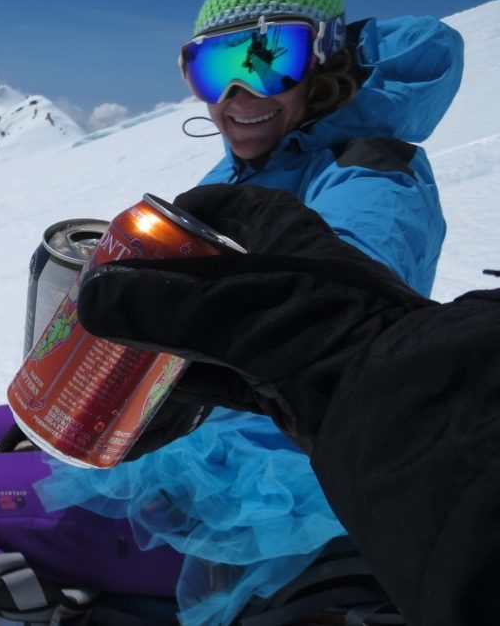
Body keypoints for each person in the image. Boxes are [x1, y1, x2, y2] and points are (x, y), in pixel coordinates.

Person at [0, 0, 463, 624]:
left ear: (326, 56)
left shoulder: (369, 182)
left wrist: (148, 419)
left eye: (269, 57)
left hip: (265, 503)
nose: (238, 93)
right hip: (216, 452)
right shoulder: (260, 171)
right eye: (213, 67)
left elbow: (331, 332)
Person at [75, 182, 500, 626]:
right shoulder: (246, 174)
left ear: (319, 104)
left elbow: (329, 297)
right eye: (211, 104)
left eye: (262, 102)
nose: (237, 107)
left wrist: (353, 362)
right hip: (275, 437)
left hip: (265, 487)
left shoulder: (375, 180)